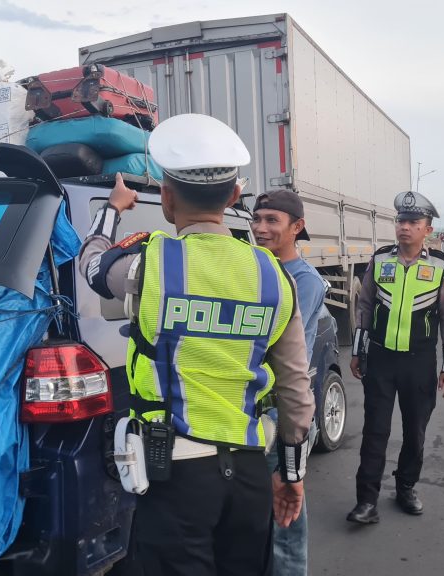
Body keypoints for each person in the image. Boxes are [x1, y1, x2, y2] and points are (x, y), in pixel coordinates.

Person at [78, 113, 315, 575]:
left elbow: (92, 263)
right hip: (249, 477)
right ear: (234, 196)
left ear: (166, 197)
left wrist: (112, 209)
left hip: (175, 476)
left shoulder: (149, 264)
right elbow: (295, 389)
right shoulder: (275, 275)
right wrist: (291, 474)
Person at [347, 190, 444, 524]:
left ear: (428, 229)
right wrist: (358, 351)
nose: (405, 227)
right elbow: (365, 306)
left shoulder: (441, 265)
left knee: (415, 432)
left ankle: (406, 487)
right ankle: (366, 501)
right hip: (381, 360)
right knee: (375, 431)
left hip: (419, 363)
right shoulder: (380, 259)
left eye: (413, 222)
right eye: (401, 221)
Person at [251, 190, 328, 576]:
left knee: (286, 521)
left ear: (297, 227)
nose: (260, 228)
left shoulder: (303, 281)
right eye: (257, 218)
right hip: (251, 413)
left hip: (283, 414)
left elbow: (270, 344)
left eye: (271, 220)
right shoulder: (254, 268)